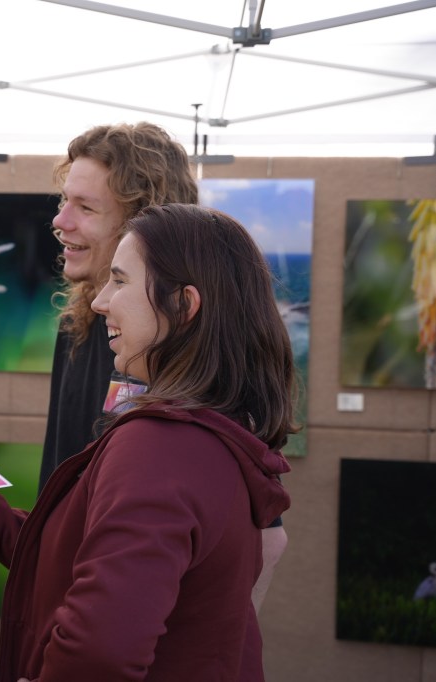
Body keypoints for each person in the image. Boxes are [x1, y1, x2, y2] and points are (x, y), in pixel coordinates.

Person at [0, 203, 296, 681]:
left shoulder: (159, 449)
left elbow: (101, 652)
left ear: (183, 304)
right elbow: (68, 559)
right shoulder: (216, 432)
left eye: (120, 281)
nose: (99, 301)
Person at [40, 122, 286, 611]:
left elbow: (268, 539)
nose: (60, 221)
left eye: (85, 208)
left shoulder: (184, 352)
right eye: (64, 201)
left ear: (145, 225)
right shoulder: (82, 322)